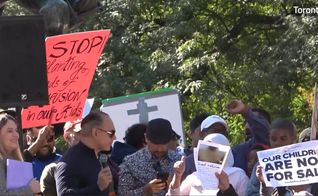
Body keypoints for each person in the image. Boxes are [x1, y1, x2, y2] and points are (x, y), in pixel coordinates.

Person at [55, 111, 116, 196]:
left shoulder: (100, 157)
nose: (114, 137)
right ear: (95, 133)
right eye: (111, 133)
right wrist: (98, 187)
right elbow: (64, 194)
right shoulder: (70, 161)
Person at [167, 133, 249, 195]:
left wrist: (227, 189)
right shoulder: (195, 177)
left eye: (213, 148)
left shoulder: (238, 175)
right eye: (205, 147)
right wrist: (177, 176)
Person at [117, 118, 181, 196]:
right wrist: (145, 191)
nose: (159, 149)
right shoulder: (130, 162)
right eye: (155, 143)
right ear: (146, 138)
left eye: (164, 144)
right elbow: (122, 194)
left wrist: (174, 189)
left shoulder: (179, 161)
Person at [247, 119, 297, 196]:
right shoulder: (262, 163)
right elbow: (251, 193)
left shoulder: (302, 160)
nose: (277, 143)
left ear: (292, 139)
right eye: (273, 139)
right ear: (269, 138)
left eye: (283, 139)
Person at [0, 114, 41, 196]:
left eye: (16, 130)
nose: (16, 135)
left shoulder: (15, 160)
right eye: (10, 131)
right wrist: (30, 189)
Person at [40, 119, 82, 196]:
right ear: (67, 137)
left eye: (88, 132)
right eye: (79, 132)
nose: (85, 135)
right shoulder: (52, 170)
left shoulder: (99, 165)